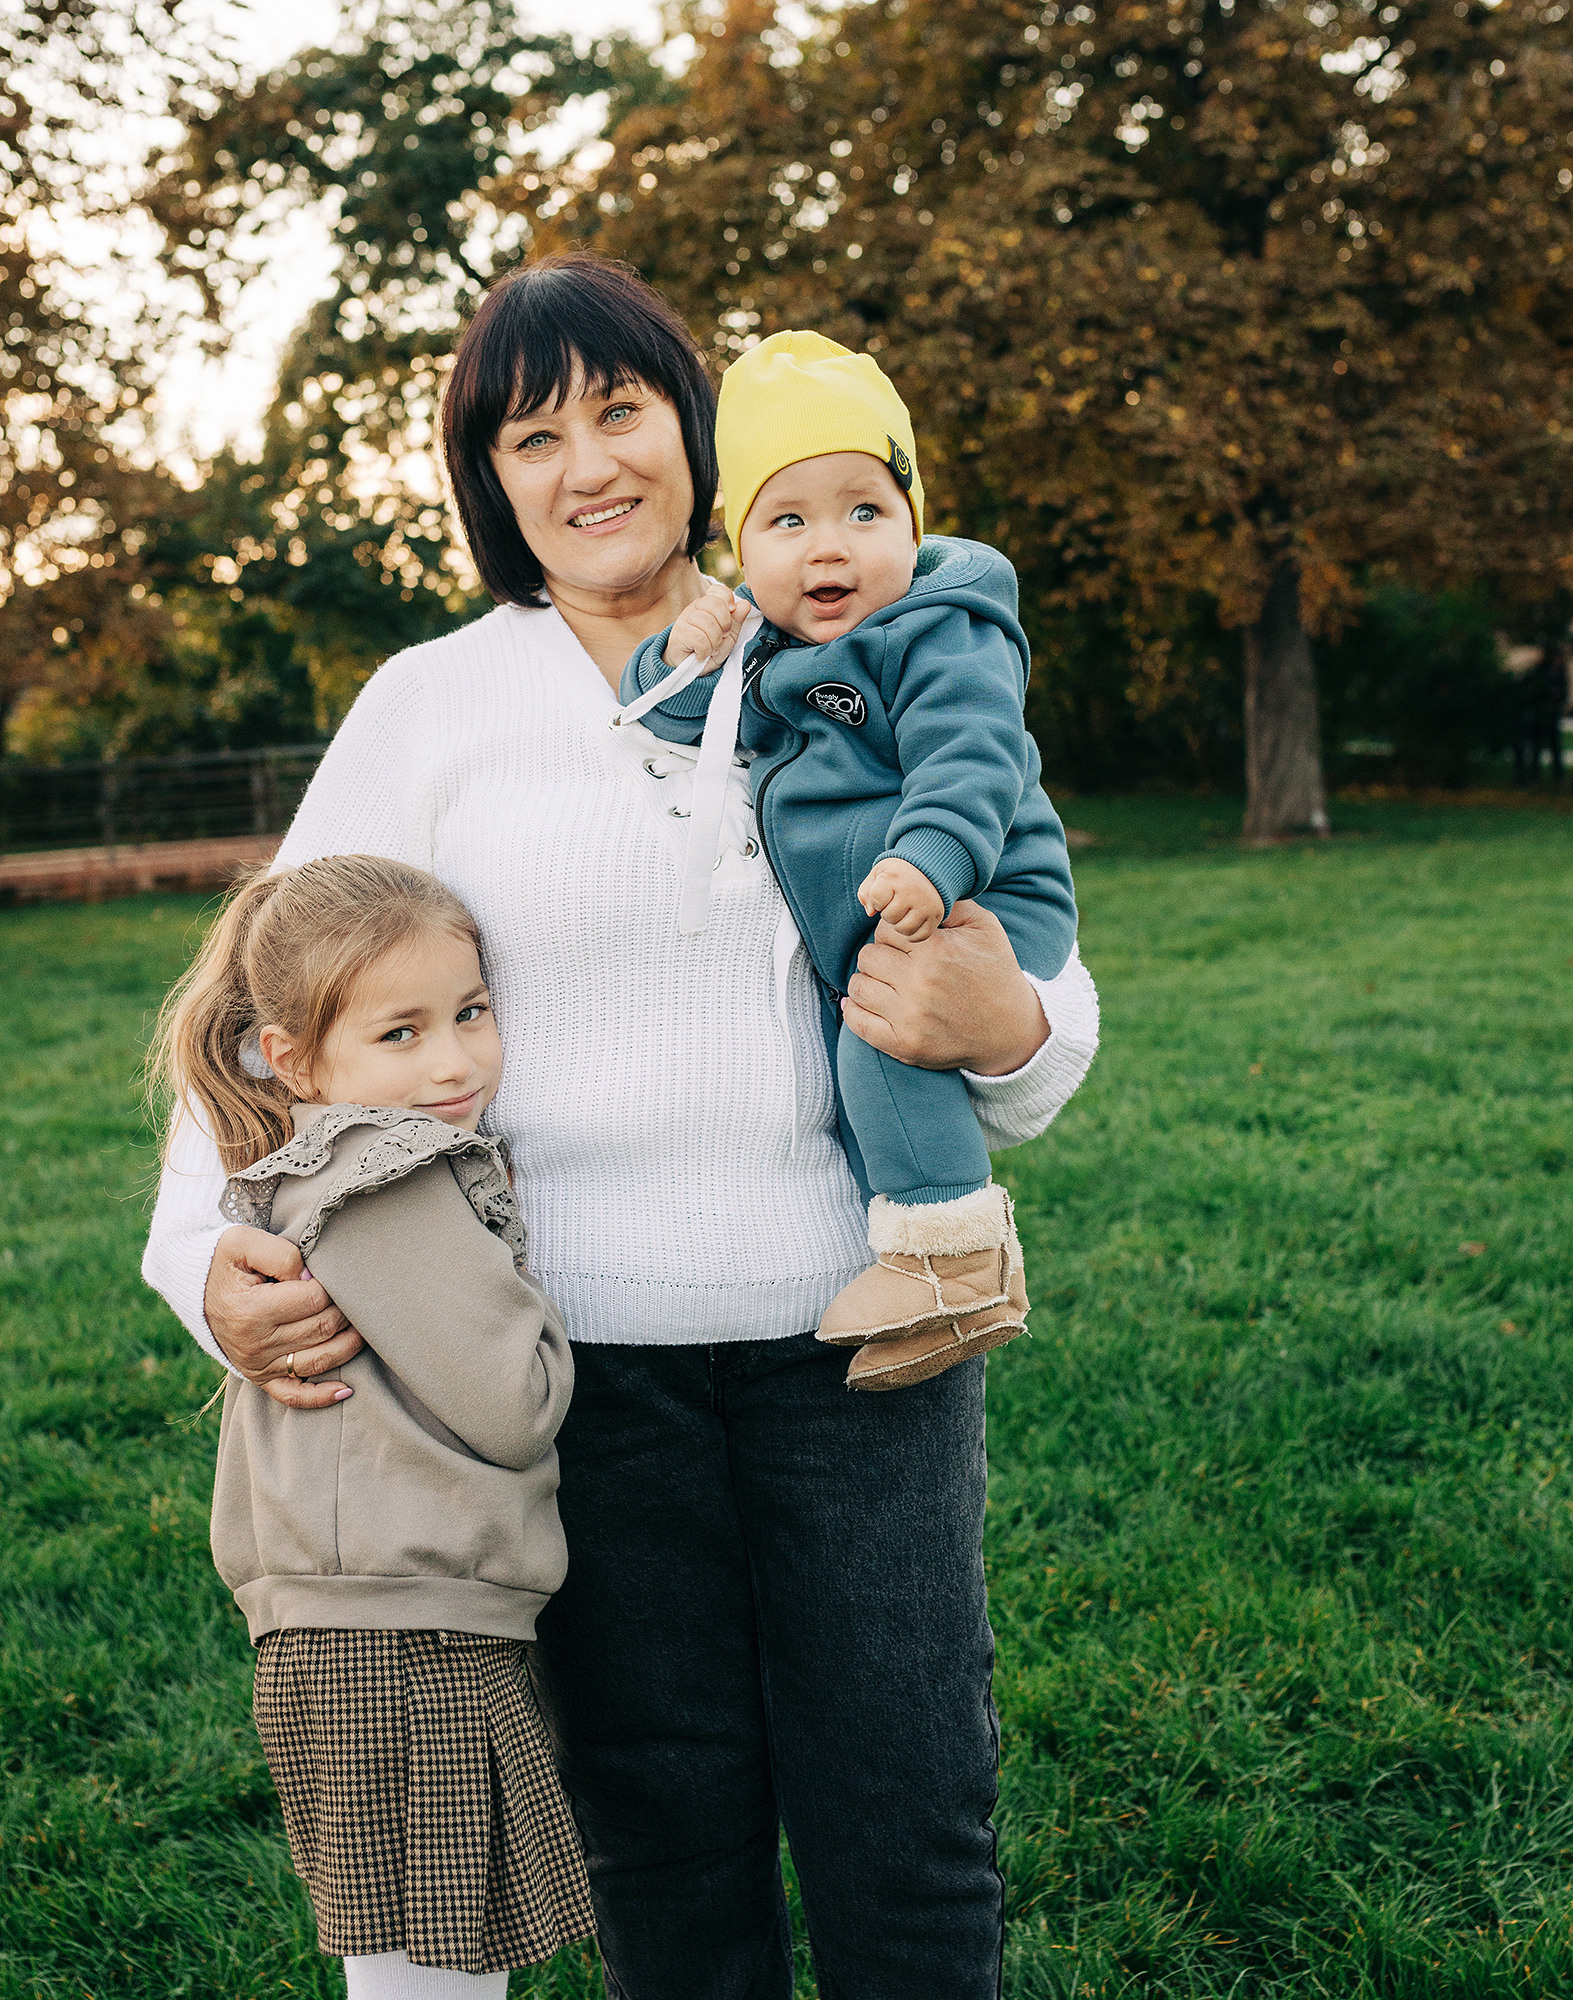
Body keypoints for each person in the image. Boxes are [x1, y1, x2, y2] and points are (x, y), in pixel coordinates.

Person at [142, 254, 1101, 2000]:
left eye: (621, 409)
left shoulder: (840, 632)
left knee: (908, 1818)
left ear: (694, 430)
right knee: (664, 1827)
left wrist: (1014, 1028)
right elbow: (255, 1001)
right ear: (490, 484)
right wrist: (210, 1262)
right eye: (532, 436)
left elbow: (1027, 964)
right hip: (576, 1364)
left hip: (858, 1338)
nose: (586, 463)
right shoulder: (436, 704)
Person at [147, 854, 591, 2000]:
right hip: (404, 1629)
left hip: (370, 1614)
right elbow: (514, 1401)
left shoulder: (325, 1158)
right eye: (400, 1032)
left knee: (410, 1950)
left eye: (471, 1012)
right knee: (430, 1968)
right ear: (290, 1055)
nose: (452, 1060)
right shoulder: (387, 1171)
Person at [621, 330, 1079, 1390]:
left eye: (864, 512)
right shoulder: (771, 648)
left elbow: (971, 754)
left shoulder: (940, 631)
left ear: (914, 523)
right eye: (788, 521)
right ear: (741, 547)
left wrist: (930, 860)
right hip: (881, 911)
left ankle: (955, 1256)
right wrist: (683, 647)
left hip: (974, 884)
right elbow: (677, 714)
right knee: (859, 1047)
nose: (829, 548)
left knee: (878, 1041)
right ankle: (935, 1276)